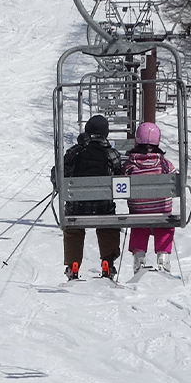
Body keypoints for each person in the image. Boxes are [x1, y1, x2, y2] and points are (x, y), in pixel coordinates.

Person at [62, 114, 126, 280]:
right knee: (108, 225)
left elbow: (61, 174)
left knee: (73, 229)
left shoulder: (74, 152)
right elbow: (121, 176)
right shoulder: (112, 154)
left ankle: (73, 264)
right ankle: (108, 261)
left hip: (77, 208)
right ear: (106, 133)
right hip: (103, 208)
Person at [125, 122, 176, 270]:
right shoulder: (164, 164)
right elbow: (174, 180)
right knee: (164, 223)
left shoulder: (130, 165)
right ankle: (163, 256)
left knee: (139, 224)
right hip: (161, 209)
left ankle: (139, 256)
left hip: (138, 210)